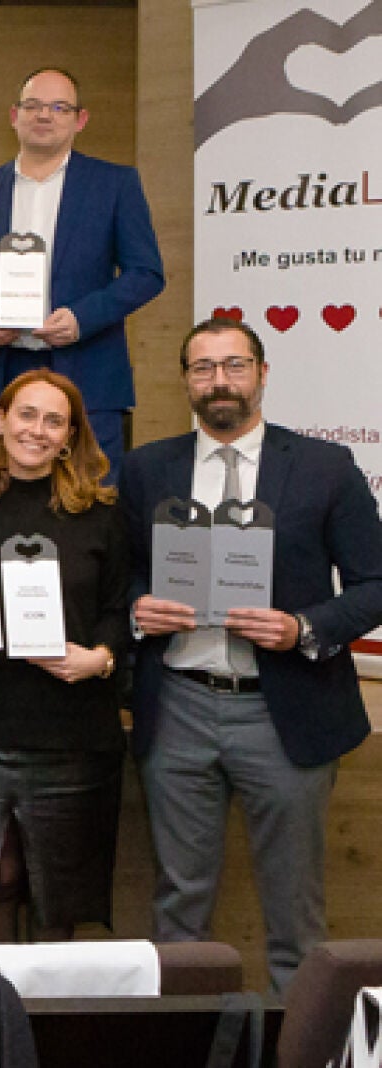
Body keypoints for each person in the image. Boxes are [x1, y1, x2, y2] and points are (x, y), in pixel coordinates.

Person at [122, 317, 382, 994]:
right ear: (186, 380)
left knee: (295, 914)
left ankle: (299, 1040)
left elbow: (375, 583)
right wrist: (136, 607)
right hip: (178, 705)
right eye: (203, 367)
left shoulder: (325, 467)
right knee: (178, 907)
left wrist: (302, 628)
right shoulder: (147, 468)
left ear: (263, 374)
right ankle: (181, 1039)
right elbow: (119, 571)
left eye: (234, 365)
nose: (220, 381)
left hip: (285, 710)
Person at [0, 369, 127, 943]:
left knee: (56, 895)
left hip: (72, 730)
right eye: (26, 414)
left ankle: (49, 1004)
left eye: (53, 421)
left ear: (70, 437)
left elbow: (121, 608)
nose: (36, 430)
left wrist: (100, 658)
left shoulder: (102, 514)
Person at [0, 66, 164, 467]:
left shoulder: (115, 184)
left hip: (89, 372)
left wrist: (82, 318)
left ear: (80, 120)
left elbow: (146, 273)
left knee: (92, 495)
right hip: (5, 372)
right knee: (6, 495)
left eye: (59, 107)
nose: (44, 115)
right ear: (14, 116)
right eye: (33, 105)